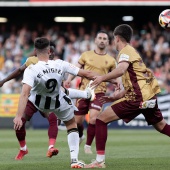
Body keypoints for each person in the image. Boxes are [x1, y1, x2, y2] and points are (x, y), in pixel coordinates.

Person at [84, 24, 170, 168]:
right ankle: (99, 161)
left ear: (117, 38)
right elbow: (136, 82)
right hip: (148, 96)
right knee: (161, 126)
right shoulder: (132, 52)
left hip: (138, 98)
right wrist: (115, 97)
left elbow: (121, 70)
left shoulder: (125, 52)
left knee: (100, 120)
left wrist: (102, 78)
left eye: (113, 39)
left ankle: (99, 161)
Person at [0, 41, 94, 160]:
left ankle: (51, 147)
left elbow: (62, 88)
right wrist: (4, 80)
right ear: (47, 52)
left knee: (54, 119)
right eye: (51, 53)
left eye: (53, 54)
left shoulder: (56, 65)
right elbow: (19, 72)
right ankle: (23, 148)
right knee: (20, 122)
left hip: (48, 101)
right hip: (34, 99)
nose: (51, 55)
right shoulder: (32, 62)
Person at [64, 30, 117, 154]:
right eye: (100, 38)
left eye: (105, 39)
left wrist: (117, 84)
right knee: (77, 122)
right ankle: (81, 135)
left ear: (108, 42)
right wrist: (68, 79)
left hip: (99, 92)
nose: (102, 40)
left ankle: (88, 145)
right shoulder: (86, 55)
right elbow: (75, 69)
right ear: (95, 40)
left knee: (93, 119)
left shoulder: (111, 60)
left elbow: (114, 76)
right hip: (83, 92)